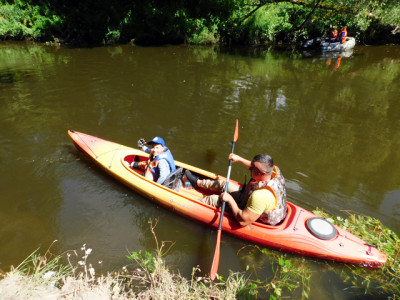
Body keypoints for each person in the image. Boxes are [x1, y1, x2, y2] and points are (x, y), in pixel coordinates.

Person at [185, 153, 287, 226]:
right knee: (224, 184)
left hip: (249, 214)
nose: (250, 168)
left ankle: (189, 205)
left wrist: (230, 200)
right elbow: (257, 166)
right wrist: (239, 159)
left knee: (213, 199)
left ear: (262, 173)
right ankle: (198, 183)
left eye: (253, 168)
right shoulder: (274, 170)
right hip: (251, 200)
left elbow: (242, 221)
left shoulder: (260, 196)